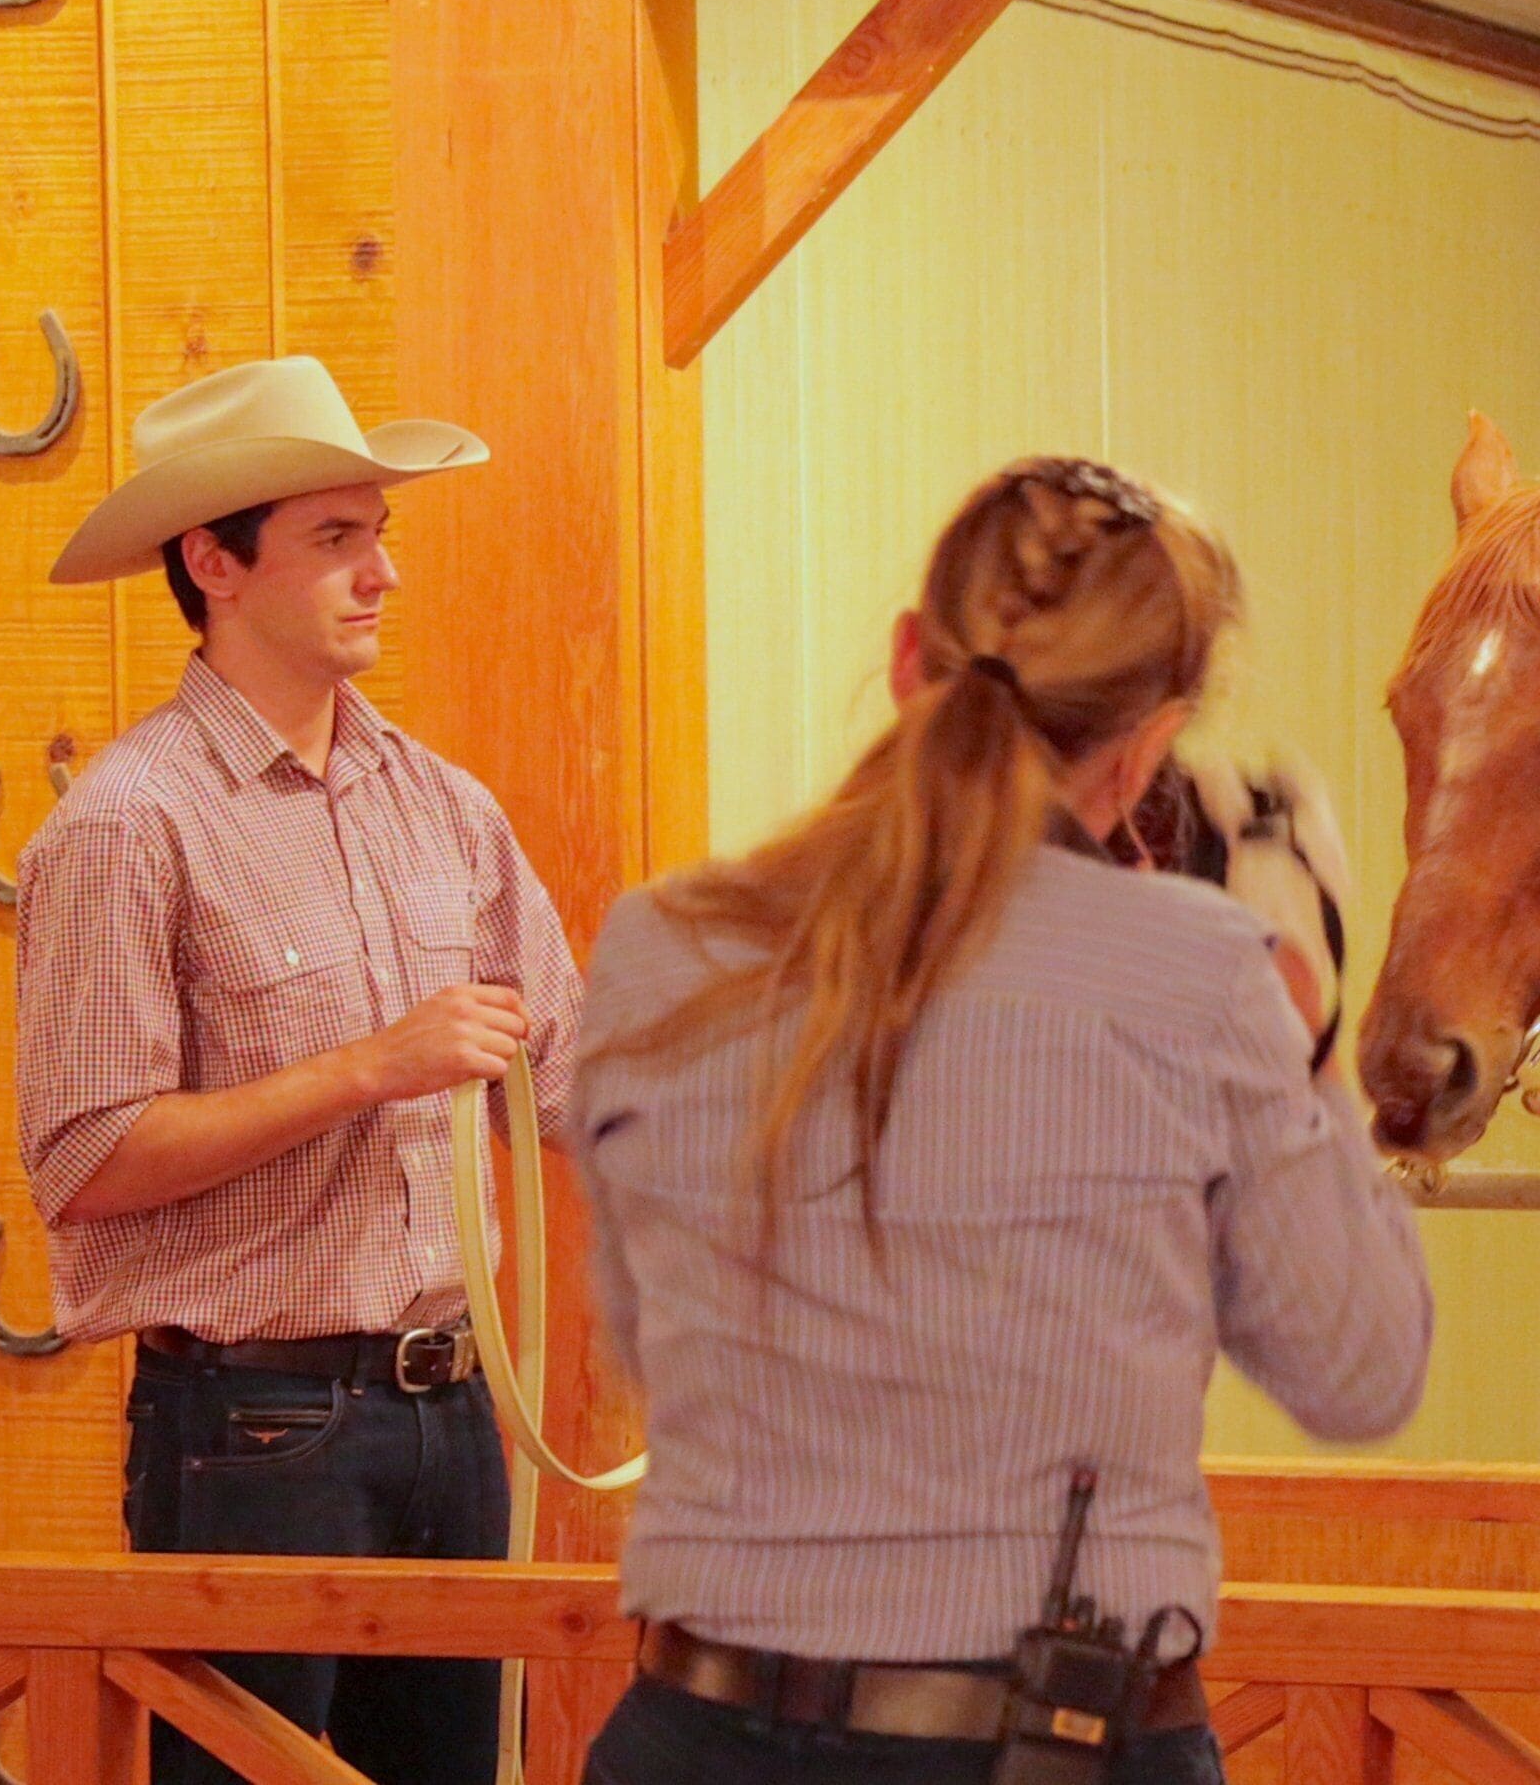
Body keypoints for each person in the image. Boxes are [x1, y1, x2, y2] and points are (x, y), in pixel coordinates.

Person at [569, 456, 1430, 1785]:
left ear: (910, 655)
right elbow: (1361, 1369)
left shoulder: (656, 946)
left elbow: (643, 1334)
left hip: (698, 1729)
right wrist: (1303, 1030)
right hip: (1046, 1744)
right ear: (1152, 744)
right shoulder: (1202, 975)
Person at [13, 357, 563, 1785]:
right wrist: (368, 1067)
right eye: (337, 539)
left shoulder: (446, 807)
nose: (383, 573)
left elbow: (571, 1068)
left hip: (453, 1421)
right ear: (215, 562)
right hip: (253, 1430)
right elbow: (86, 1162)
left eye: (381, 535)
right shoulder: (128, 827)